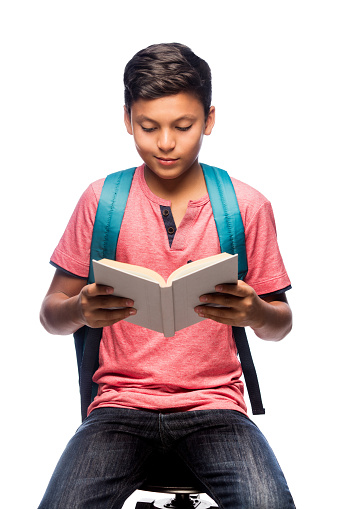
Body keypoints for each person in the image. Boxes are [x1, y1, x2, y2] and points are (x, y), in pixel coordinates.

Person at [38, 43, 295, 508]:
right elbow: (50, 316)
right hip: (119, 405)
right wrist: (80, 308)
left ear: (209, 119)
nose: (166, 143)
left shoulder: (247, 206)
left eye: (184, 126)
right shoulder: (101, 201)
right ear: (127, 119)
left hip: (216, 407)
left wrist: (255, 310)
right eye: (148, 127)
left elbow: (281, 323)